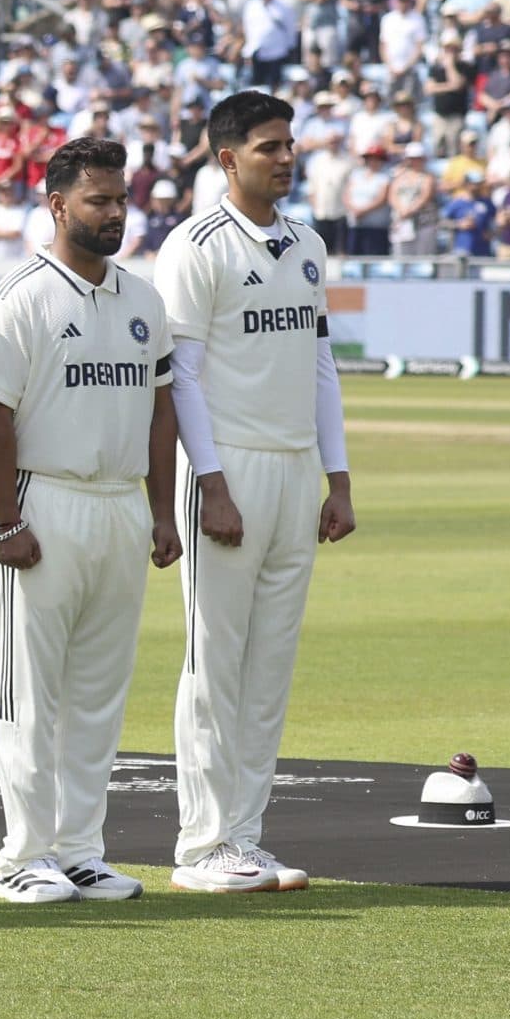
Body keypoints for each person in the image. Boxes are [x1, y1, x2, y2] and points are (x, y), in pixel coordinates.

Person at [0, 137, 183, 907]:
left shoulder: (142, 298)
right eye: (99, 200)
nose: (115, 213)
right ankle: (22, 855)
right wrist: (5, 519)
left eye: (122, 199)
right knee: (31, 692)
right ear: (58, 205)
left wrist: (162, 511)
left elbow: (162, 413)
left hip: (120, 503)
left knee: (98, 691)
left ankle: (80, 848)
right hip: (46, 499)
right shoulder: (18, 296)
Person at [155, 90, 356, 894]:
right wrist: (211, 484)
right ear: (227, 157)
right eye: (270, 145)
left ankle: (247, 834)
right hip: (226, 469)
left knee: (269, 663)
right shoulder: (194, 245)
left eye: (290, 143)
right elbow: (183, 377)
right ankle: (202, 845)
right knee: (215, 661)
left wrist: (337, 478)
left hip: (291, 465)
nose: (286, 156)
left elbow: (319, 365)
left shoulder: (306, 244)